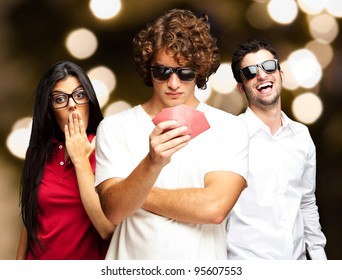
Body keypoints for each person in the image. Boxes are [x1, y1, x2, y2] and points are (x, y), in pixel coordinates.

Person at [95, 8, 249, 260]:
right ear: (149, 68)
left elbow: (214, 208)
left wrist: (136, 193)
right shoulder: (115, 127)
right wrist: (151, 163)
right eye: (162, 72)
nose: (174, 84)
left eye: (185, 72)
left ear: (199, 69)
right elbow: (113, 210)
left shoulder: (229, 128)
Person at [226, 38, 327, 259]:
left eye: (268, 66)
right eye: (250, 72)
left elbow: (307, 201)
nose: (261, 75)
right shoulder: (231, 136)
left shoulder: (301, 136)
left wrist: (320, 259)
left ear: (281, 74)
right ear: (241, 87)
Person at [16, 61, 114, 260]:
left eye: (79, 95)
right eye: (60, 99)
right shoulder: (37, 153)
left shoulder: (108, 149)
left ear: (90, 100)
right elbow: (31, 221)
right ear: (50, 110)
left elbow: (107, 229)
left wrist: (80, 160)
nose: (72, 104)